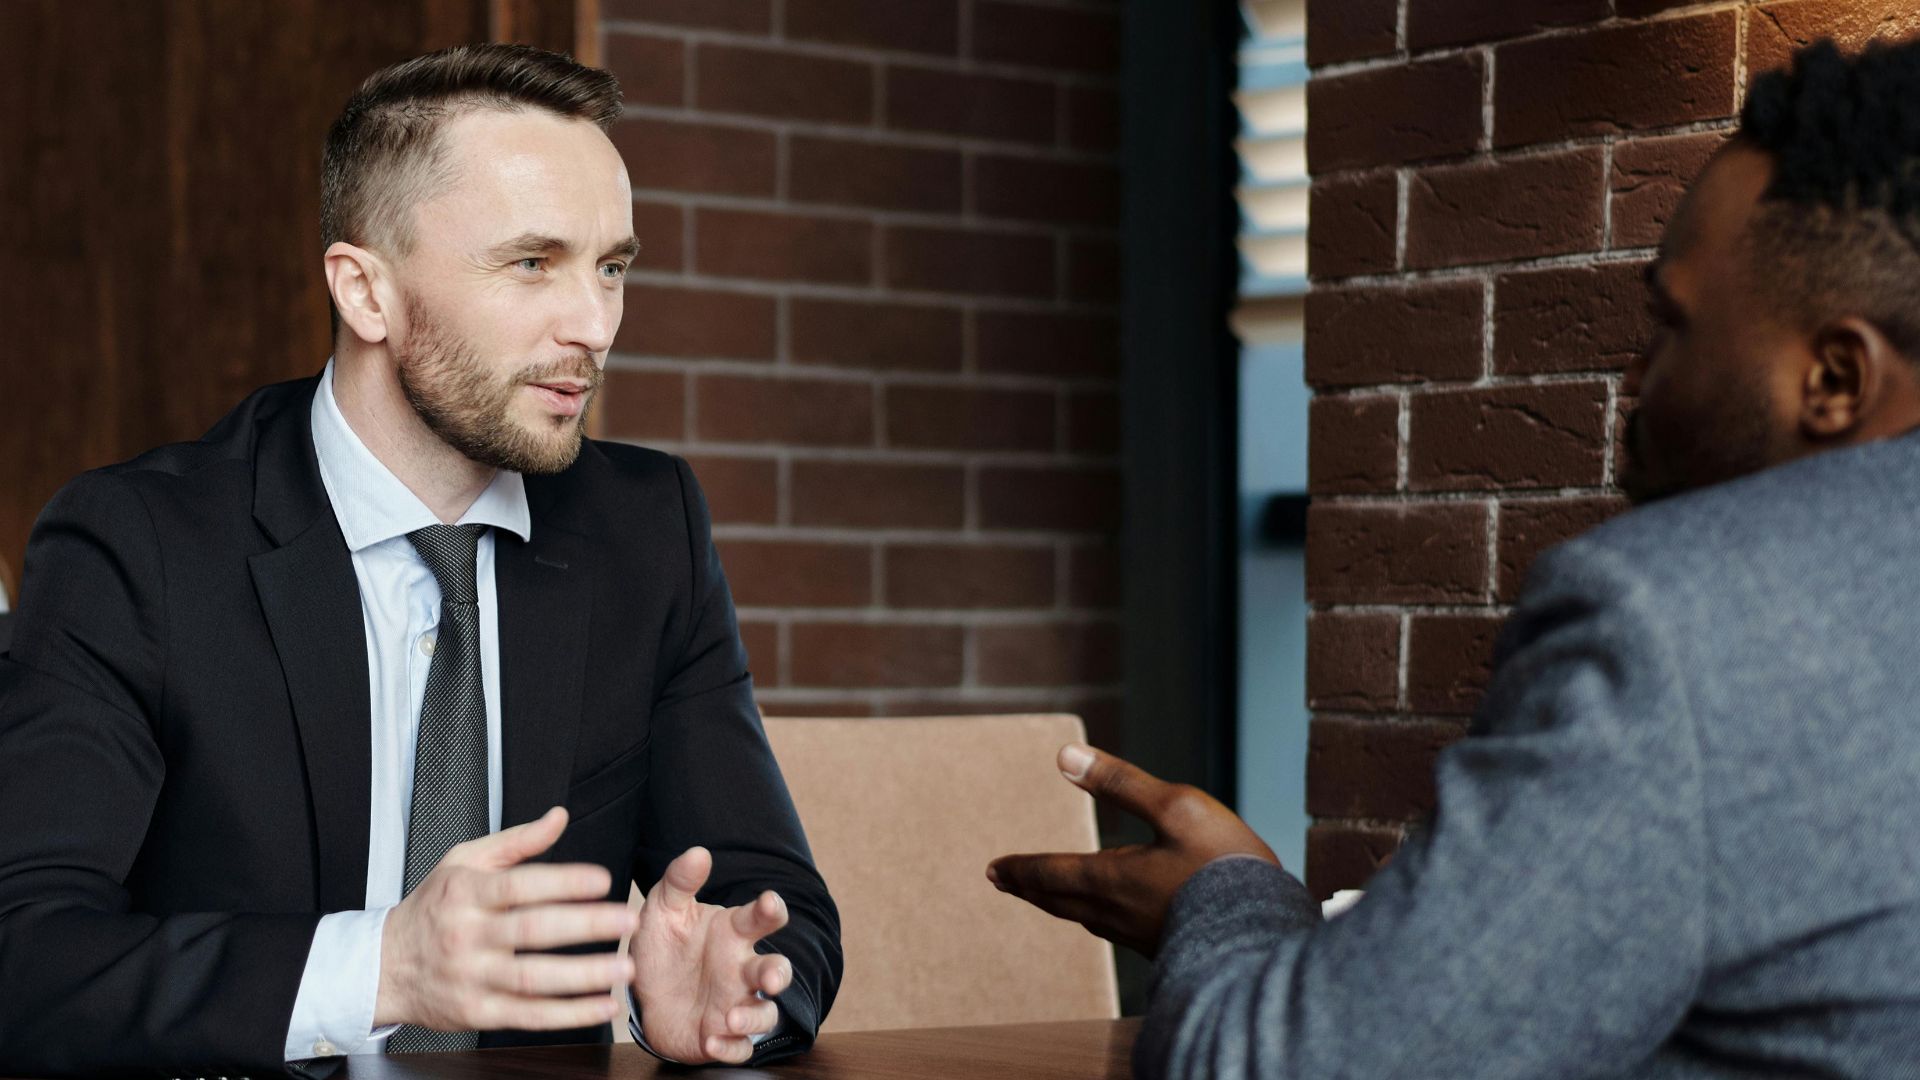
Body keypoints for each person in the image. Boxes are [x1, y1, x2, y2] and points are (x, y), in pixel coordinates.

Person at [991, 37, 1920, 1079]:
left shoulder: (1677, 623)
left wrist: (1228, 895)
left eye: (1669, 325)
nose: (1637, 377)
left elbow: (1279, 1066)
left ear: (1836, 377)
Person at [0, 44, 838, 1077]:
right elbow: (25, 957)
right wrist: (383, 969)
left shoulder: (644, 530)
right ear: (365, 293)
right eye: (533, 262)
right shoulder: (138, 546)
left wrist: (735, 994)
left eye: (612, 266)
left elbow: (779, 909)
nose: (595, 324)